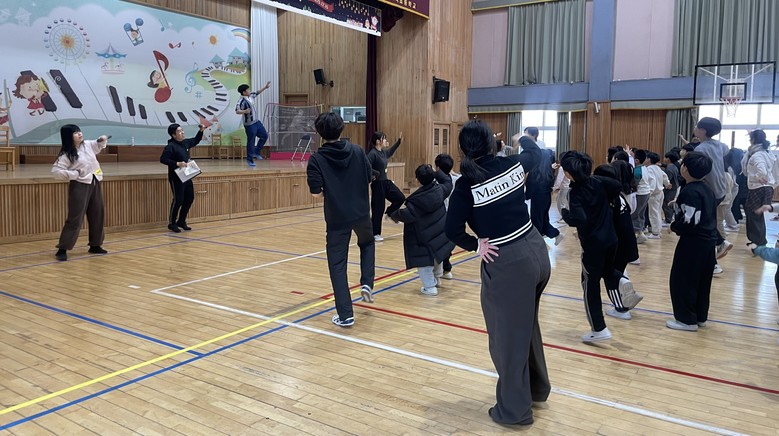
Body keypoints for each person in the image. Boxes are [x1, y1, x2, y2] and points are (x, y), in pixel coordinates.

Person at [445, 121, 550, 426]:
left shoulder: (466, 185)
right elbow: (534, 153)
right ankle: (536, 389)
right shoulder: (512, 163)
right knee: (526, 327)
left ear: (463, 149)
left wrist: (475, 245)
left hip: (509, 263)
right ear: (493, 143)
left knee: (507, 339)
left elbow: (452, 229)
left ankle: (514, 412)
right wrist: (521, 137)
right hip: (536, 250)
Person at [560, 151, 641, 342]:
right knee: (607, 271)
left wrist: (564, 213)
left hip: (593, 245)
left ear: (569, 173)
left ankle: (599, 329)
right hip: (611, 240)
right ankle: (620, 280)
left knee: (590, 284)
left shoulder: (576, 193)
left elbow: (579, 219)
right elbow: (617, 185)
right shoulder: (599, 181)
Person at [306, 112, 375, 327]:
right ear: (342, 128)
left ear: (319, 133)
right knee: (367, 243)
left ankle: (345, 315)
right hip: (361, 213)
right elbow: (369, 177)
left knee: (337, 265)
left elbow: (316, 193)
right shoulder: (357, 151)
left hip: (337, 218)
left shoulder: (316, 159)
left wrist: (334, 191)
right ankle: (367, 282)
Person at [667, 152, 717, 331]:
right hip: (708, 242)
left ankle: (686, 320)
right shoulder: (707, 189)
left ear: (685, 168)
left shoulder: (689, 191)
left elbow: (690, 221)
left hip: (693, 243)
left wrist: (674, 226)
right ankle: (700, 316)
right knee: (702, 281)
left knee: (683, 280)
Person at [389, 164, 454, 296]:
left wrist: (392, 213)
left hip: (424, 238)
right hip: (439, 234)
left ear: (417, 180)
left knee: (424, 263)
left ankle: (430, 287)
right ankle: (437, 279)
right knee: (438, 257)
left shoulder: (416, 202)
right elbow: (448, 181)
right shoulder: (440, 190)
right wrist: (436, 172)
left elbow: (405, 215)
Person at [51, 125, 110, 261]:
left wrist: (102, 140)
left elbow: (98, 145)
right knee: (75, 217)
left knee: (98, 214)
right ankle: (63, 248)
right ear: (68, 137)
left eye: (79, 131)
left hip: (95, 182)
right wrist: (74, 174)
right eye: (75, 133)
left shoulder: (88, 145)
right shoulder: (67, 154)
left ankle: (95, 245)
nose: (79, 134)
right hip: (79, 185)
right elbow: (56, 172)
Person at [693, 117, 734, 261]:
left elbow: (700, 171)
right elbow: (725, 154)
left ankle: (720, 243)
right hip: (721, 189)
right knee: (707, 220)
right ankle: (717, 248)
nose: (695, 129)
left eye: (697, 127)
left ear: (703, 131)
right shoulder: (721, 145)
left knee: (704, 223)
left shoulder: (700, 149)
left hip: (709, 190)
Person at [160, 123, 204, 233]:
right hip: (176, 177)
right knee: (178, 200)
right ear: (174, 135)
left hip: (187, 175)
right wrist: (177, 163)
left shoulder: (185, 143)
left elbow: (196, 140)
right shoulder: (170, 146)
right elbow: (163, 159)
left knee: (189, 198)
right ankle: (172, 223)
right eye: (179, 131)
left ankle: (181, 221)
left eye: (182, 130)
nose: (182, 132)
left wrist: (201, 130)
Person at [366, 131, 406, 241]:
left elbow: (391, 151)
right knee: (378, 209)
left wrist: (398, 142)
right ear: (378, 141)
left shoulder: (383, 152)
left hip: (386, 182)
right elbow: (366, 165)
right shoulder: (372, 154)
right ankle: (375, 233)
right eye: (384, 139)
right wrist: (374, 174)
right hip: (377, 184)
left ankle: (390, 213)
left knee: (400, 197)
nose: (385, 141)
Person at [525, 131, 562, 245]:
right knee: (544, 219)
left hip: (538, 198)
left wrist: (525, 196)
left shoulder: (536, 173)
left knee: (537, 219)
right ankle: (555, 234)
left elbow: (531, 185)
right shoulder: (548, 171)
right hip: (546, 197)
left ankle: (538, 243)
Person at [742, 129, 775, 247]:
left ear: (753, 140)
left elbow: (762, 170)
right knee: (757, 215)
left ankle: (758, 243)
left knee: (753, 215)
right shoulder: (767, 152)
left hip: (758, 188)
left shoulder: (757, 155)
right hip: (767, 187)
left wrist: (758, 177)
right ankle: (759, 241)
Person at [434, 153, 461, 279]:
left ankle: (438, 273)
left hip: (439, 216)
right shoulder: (457, 179)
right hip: (453, 215)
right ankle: (446, 269)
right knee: (448, 243)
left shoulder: (435, 181)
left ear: (438, 167)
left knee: (438, 244)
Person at [235, 82, 271, 166]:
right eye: (248, 90)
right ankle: (250, 160)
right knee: (251, 141)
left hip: (256, 121)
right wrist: (244, 111)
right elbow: (237, 111)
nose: (249, 90)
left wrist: (265, 87)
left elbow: (257, 92)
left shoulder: (250, 95)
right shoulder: (241, 101)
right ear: (244, 92)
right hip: (249, 124)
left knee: (264, 136)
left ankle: (256, 152)